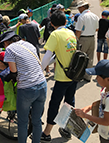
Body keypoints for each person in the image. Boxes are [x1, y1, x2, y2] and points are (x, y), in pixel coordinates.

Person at [0, 31, 47, 143]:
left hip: (26, 89)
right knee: (36, 120)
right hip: (42, 85)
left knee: (23, 122)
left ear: (6, 42)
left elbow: (13, 72)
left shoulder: (10, 49)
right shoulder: (29, 44)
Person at [40, 10, 78, 142]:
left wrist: (40, 70)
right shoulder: (71, 33)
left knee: (54, 104)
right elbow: (60, 56)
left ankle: (46, 133)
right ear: (66, 21)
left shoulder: (55, 34)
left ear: (51, 23)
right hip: (74, 75)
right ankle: (67, 129)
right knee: (69, 102)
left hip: (63, 77)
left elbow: (47, 56)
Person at [75, 59, 109, 143]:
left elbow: (106, 121)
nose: (96, 78)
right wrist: (90, 107)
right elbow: (103, 102)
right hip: (105, 132)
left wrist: (85, 116)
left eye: (98, 76)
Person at [75, 0, 99, 82]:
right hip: (92, 38)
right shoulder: (95, 16)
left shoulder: (81, 17)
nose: (78, 9)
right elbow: (97, 29)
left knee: (80, 57)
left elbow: (78, 30)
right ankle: (88, 76)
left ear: (82, 7)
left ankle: (79, 75)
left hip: (83, 38)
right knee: (90, 57)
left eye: (79, 8)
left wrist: (76, 40)